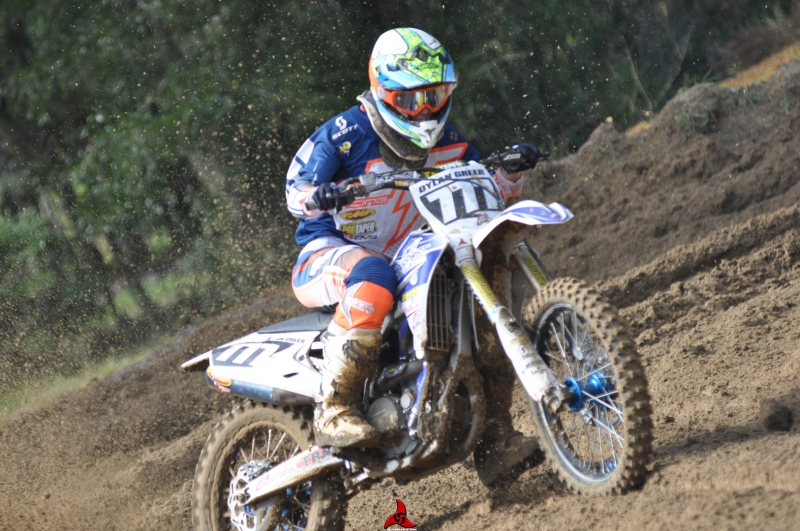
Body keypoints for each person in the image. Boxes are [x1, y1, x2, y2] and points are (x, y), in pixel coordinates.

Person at [284, 27, 544, 485]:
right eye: (411, 100)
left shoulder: (452, 143)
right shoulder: (346, 134)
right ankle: (334, 408)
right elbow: (295, 188)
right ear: (383, 92)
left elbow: (488, 191)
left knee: (482, 291)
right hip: (329, 252)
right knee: (373, 276)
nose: (424, 111)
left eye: (434, 96)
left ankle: (495, 439)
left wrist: (510, 171)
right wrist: (319, 194)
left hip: (411, 254)